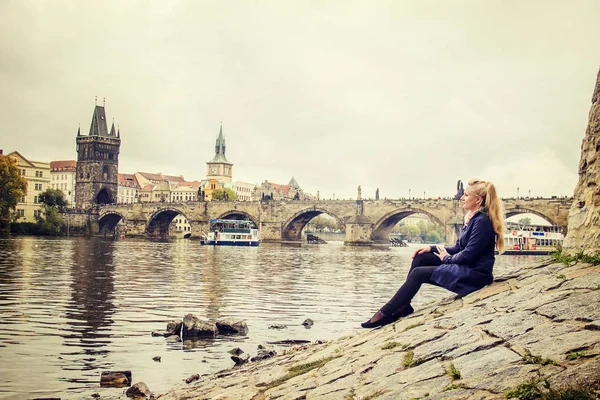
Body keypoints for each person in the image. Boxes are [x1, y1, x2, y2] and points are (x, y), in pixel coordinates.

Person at [361, 179, 505, 328]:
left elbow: (468, 255)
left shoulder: (481, 221)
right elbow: (457, 248)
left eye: (466, 195)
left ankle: (387, 311)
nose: (462, 197)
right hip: (467, 267)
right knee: (421, 257)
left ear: (478, 199)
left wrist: (446, 259)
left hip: (476, 275)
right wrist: (432, 248)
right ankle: (403, 306)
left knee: (418, 274)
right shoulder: (471, 218)